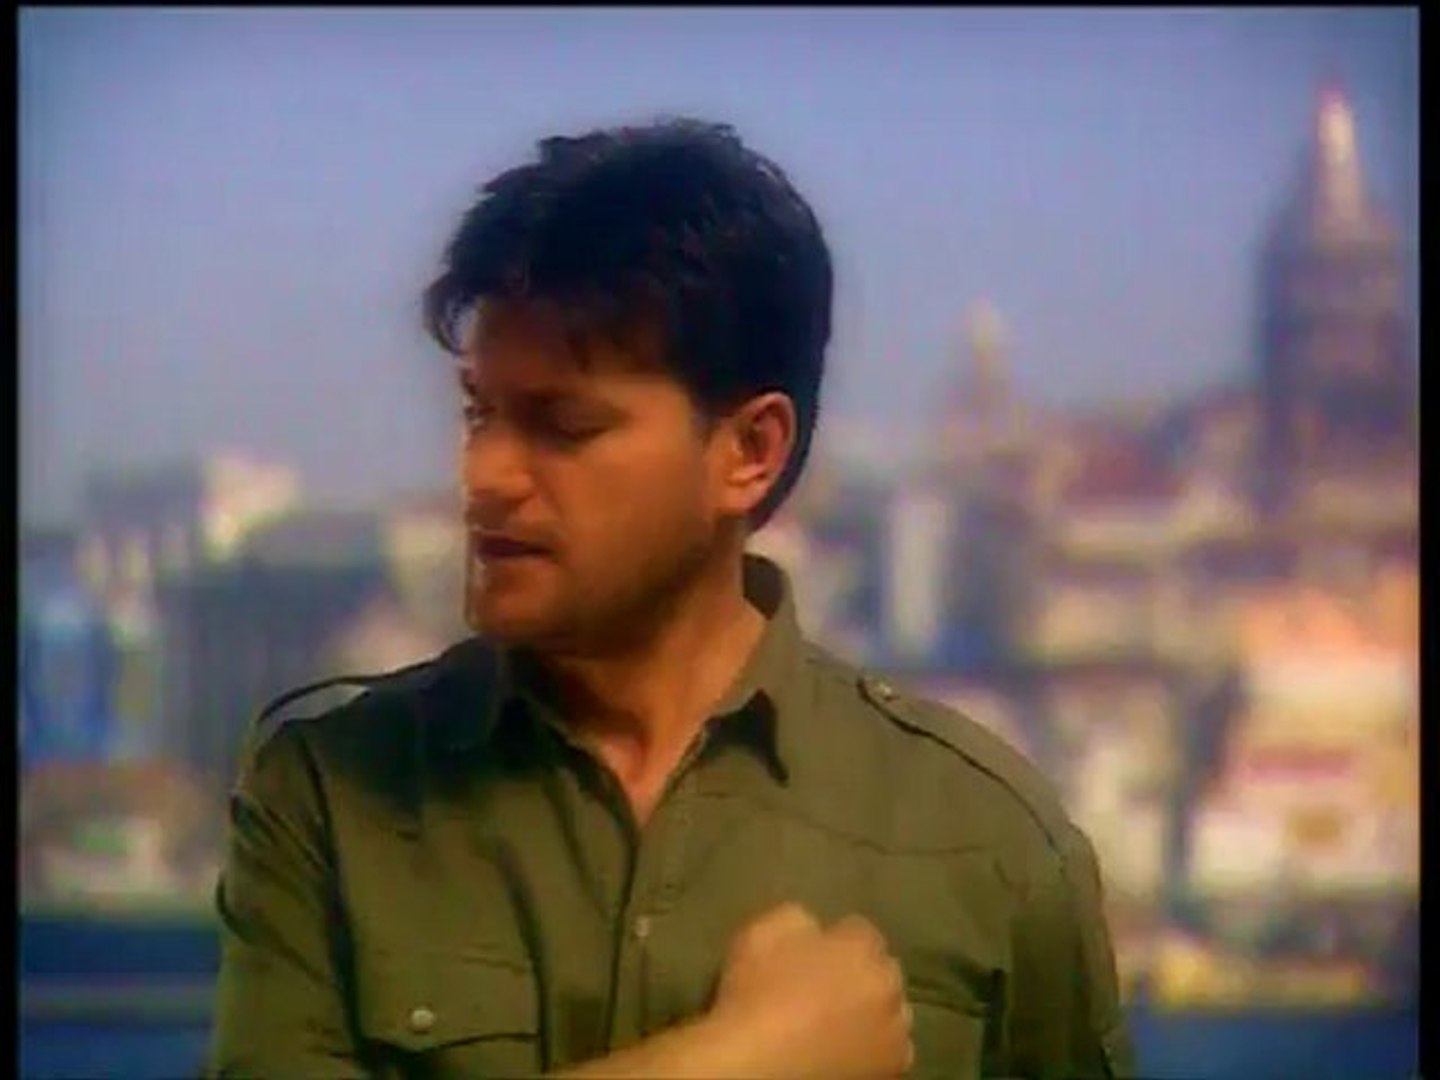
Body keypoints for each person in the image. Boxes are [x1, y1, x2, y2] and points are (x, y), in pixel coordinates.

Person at [208, 117, 1134, 1079]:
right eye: (480, 413)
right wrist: (743, 1062)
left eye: (563, 426)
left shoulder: (990, 844)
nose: (483, 477)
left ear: (749, 452)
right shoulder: (328, 795)